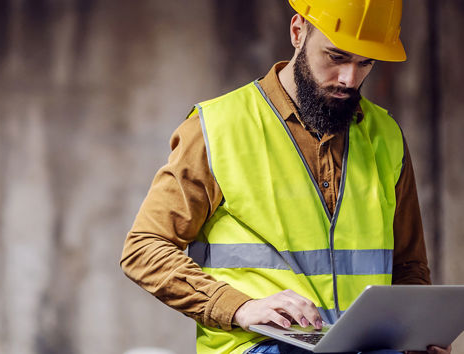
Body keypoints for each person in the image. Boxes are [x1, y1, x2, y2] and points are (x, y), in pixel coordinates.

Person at [120, 1, 452, 353]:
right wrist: (242, 307)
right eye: (337, 57)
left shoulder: (386, 136)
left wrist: (416, 336)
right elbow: (144, 249)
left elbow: (408, 266)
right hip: (260, 347)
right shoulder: (217, 128)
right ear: (297, 32)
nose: (349, 79)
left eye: (365, 62)